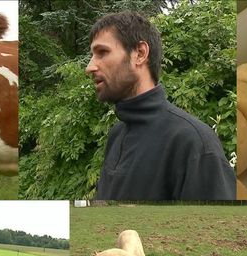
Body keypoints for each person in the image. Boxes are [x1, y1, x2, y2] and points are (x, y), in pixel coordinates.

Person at [85, 11, 236, 200]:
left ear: (140, 54)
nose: (89, 67)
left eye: (102, 52)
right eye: (92, 55)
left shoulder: (192, 141)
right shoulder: (117, 134)